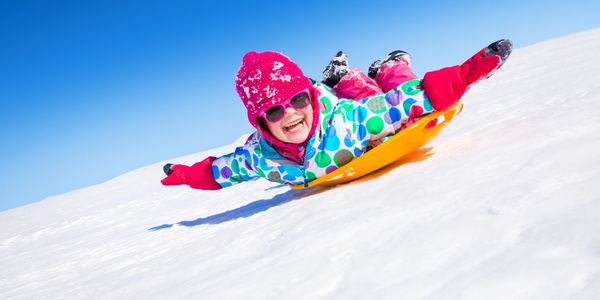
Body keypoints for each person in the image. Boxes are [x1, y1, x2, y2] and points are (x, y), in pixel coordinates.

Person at [160, 40, 513, 190]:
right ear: (261, 122)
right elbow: (224, 170)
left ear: (311, 98)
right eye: (274, 109)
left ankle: (389, 66)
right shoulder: (260, 157)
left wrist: (464, 75)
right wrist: (188, 174)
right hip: (333, 103)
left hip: (352, 107)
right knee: (366, 92)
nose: (290, 114)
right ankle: (349, 75)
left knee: (387, 92)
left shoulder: (350, 123)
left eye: (298, 100)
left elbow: (402, 102)